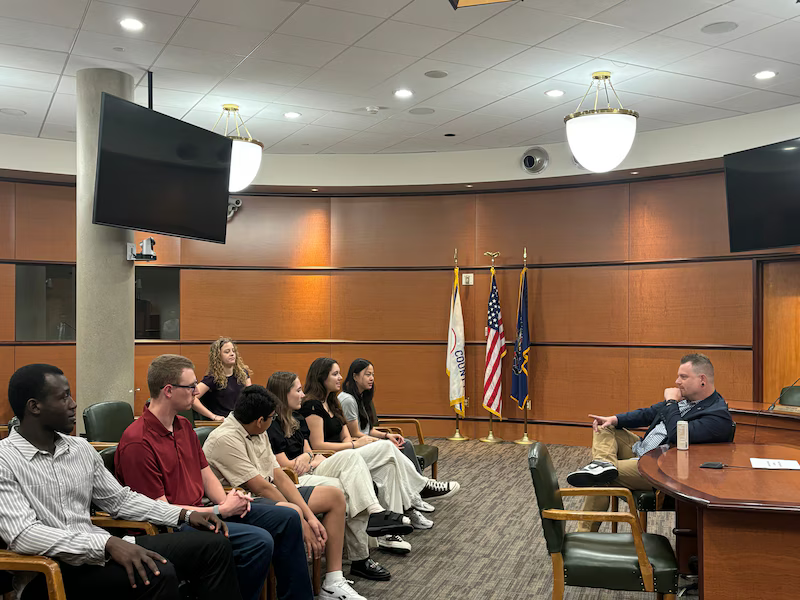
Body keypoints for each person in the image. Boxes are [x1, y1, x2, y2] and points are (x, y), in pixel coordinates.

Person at [0, 363, 242, 600]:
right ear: (34, 406)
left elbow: (119, 500)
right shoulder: (5, 459)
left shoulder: (79, 449)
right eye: (63, 397)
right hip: (49, 571)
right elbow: (24, 535)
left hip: (99, 552)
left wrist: (183, 515)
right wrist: (106, 543)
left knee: (213, 546)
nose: (73, 404)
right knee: (155, 573)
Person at [115, 354, 312, 600]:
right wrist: (219, 511)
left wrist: (228, 503)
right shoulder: (137, 442)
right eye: (190, 386)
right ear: (168, 390)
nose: (196, 392)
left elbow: (205, 474)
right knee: (258, 542)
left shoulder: (184, 427)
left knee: (288, 516)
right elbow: (159, 510)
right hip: (176, 525)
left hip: (206, 511)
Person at [203, 385, 367, 600]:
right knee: (291, 515)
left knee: (334, 497)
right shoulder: (225, 438)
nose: (274, 421)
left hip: (269, 491)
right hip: (245, 500)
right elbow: (260, 487)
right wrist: (301, 517)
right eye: (272, 417)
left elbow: (279, 476)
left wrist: (308, 515)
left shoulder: (255, 427)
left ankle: (333, 581)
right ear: (260, 420)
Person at [566, 353, 734, 532]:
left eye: (683, 377)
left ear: (702, 380)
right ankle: (603, 464)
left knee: (600, 478)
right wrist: (614, 419)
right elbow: (647, 413)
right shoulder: (685, 399)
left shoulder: (717, 416)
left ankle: (583, 535)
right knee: (605, 427)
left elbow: (678, 435)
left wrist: (671, 403)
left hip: (660, 468)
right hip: (643, 449)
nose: (677, 381)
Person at [267, 370, 412, 565]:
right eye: (298, 390)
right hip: (293, 478)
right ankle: (361, 558)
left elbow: (310, 451)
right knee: (349, 488)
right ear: (284, 393)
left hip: (312, 467)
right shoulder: (271, 423)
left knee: (352, 459)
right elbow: (284, 465)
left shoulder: (297, 419)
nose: (302, 394)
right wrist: (306, 459)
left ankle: (376, 513)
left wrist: (307, 457)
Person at [301, 359, 460, 528]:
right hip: (333, 458)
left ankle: (391, 528)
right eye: (335, 374)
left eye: (339, 373)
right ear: (321, 377)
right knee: (386, 446)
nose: (340, 377)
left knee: (389, 466)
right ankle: (420, 486)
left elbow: (347, 436)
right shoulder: (312, 406)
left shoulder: (334, 403)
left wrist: (356, 443)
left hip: (348, 452)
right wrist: (355, 445)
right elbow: (318, 445)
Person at [339, 358, 423, 475]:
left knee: (403, 442)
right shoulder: (348, 400)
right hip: (358, 445)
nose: (372, 378)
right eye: (368, 375)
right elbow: (355, 434)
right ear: (355, 377)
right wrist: (383, 443)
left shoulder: (362, 397)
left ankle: (418, 484)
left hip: (369, 441)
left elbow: (369, 430)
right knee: (402, 445)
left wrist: (387, 435)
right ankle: (420, 484)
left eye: (373, 375)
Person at [193, 337, 252, 421]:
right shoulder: (212, 378)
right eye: (227, 352)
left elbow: (250, 397)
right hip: (223, 423)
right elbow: (192, 398)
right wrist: (213, 416)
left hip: (241, 420)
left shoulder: (243, 374)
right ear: (218, 356)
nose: (232, 354)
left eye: (233, 351)